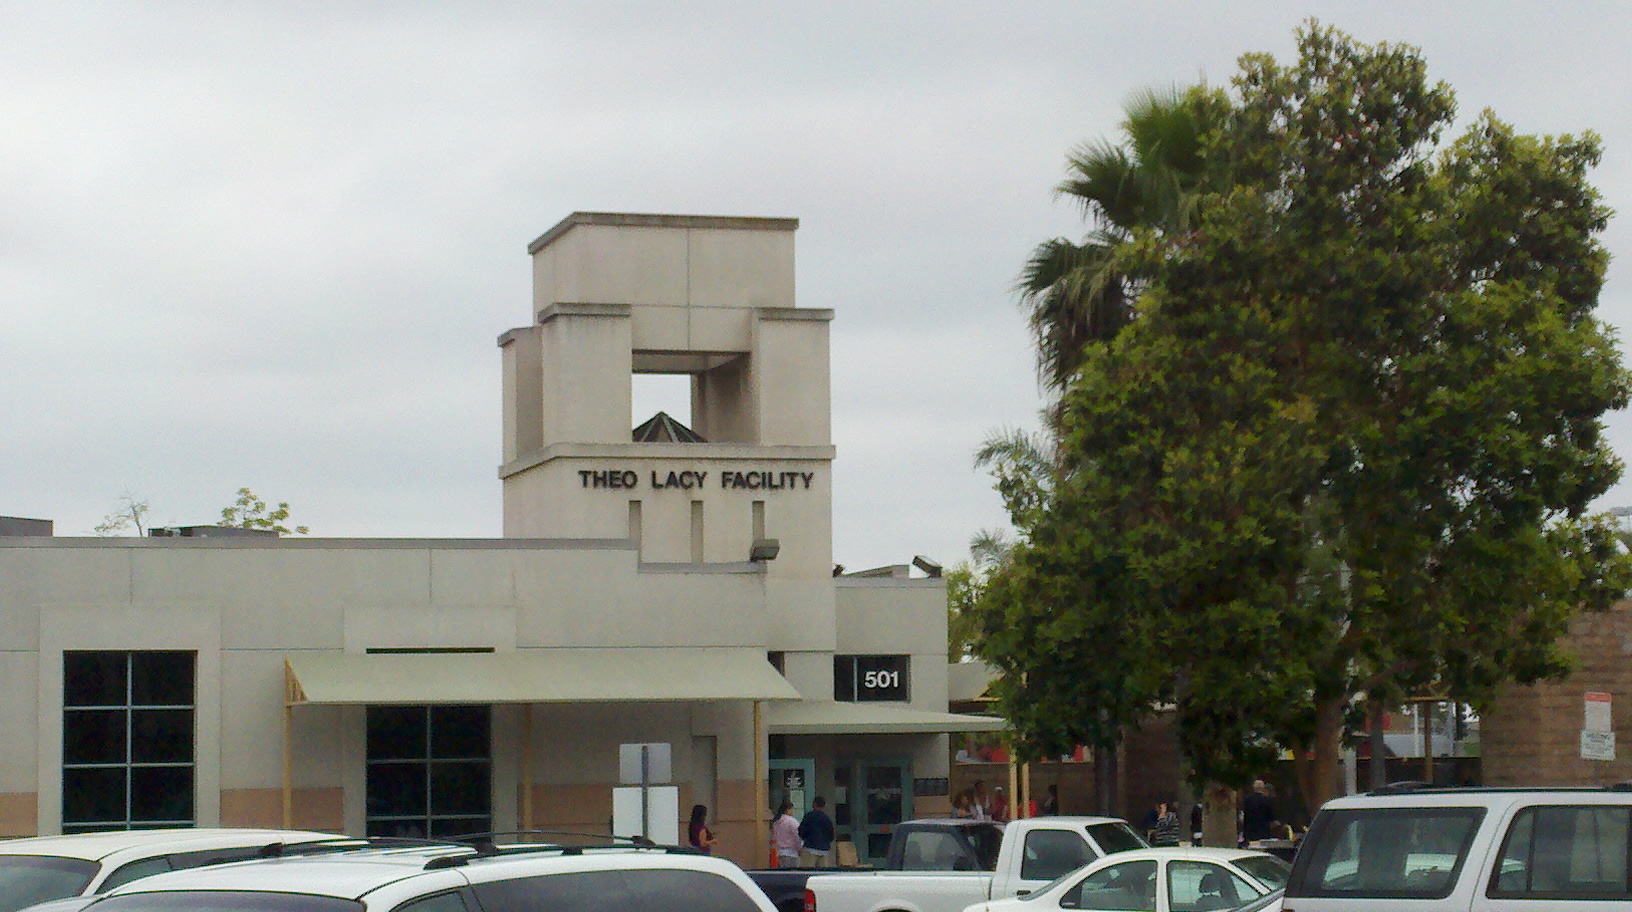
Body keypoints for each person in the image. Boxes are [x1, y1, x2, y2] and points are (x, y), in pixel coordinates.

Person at [799, 796, 836, 867]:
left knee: (806, 870)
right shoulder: (827, 819)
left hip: (810, 848)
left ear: (814, 804)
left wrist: (805, 839)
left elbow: (802, 831)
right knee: (823, 872)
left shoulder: (809, 816)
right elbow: (831, 836)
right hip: (824, 850)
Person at [1242, 779, 1279, 843]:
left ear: (1253, 787)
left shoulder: (1247, 800)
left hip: (1249, 832)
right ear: (1263, 788)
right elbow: (1271, 817)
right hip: (1263, 832)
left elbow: (1245, 815)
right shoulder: (1267, 800)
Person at [771, 800, 803, 867]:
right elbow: (797, 836)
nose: (792, 811)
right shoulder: (792, 821)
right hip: (792, 852)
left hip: (780, 852)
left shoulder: (777, 822)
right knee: (793, 871)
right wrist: (800, 848)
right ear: (788, 810)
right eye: (792, 809)